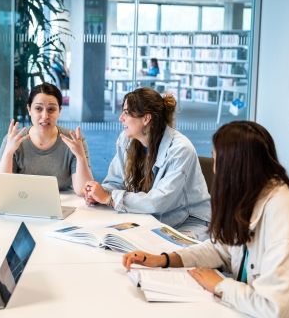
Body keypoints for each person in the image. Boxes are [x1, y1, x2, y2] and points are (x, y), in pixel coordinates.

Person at [122, 121, 289, 317]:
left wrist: (220, 285)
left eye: (216, 161)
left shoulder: (285, 212)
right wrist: (166, 260)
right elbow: (222, 249)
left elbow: (277, 307)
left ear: (235, 168)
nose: (215, 170)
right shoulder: (252, 196)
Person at [84, 87, 210, 240]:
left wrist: (110, 199)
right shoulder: (126, 140)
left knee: (158, 253)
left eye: (126, 112)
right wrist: (100, 194)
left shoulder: (181, 150)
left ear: (146, 119)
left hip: (186, 223)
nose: (120, 118)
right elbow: (115, 181)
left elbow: (158, 202)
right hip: (150, 218)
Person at [0, 82, 93, 194]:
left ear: (59, 111)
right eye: (38, 108)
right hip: (23, 202)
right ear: (29, 109)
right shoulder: (13, 139)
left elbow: (83, 191)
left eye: (51, 109)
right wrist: (9, 152)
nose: (45, 116)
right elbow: (1, 188)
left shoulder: (74, 140)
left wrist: (80, 156)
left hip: (64, 203)